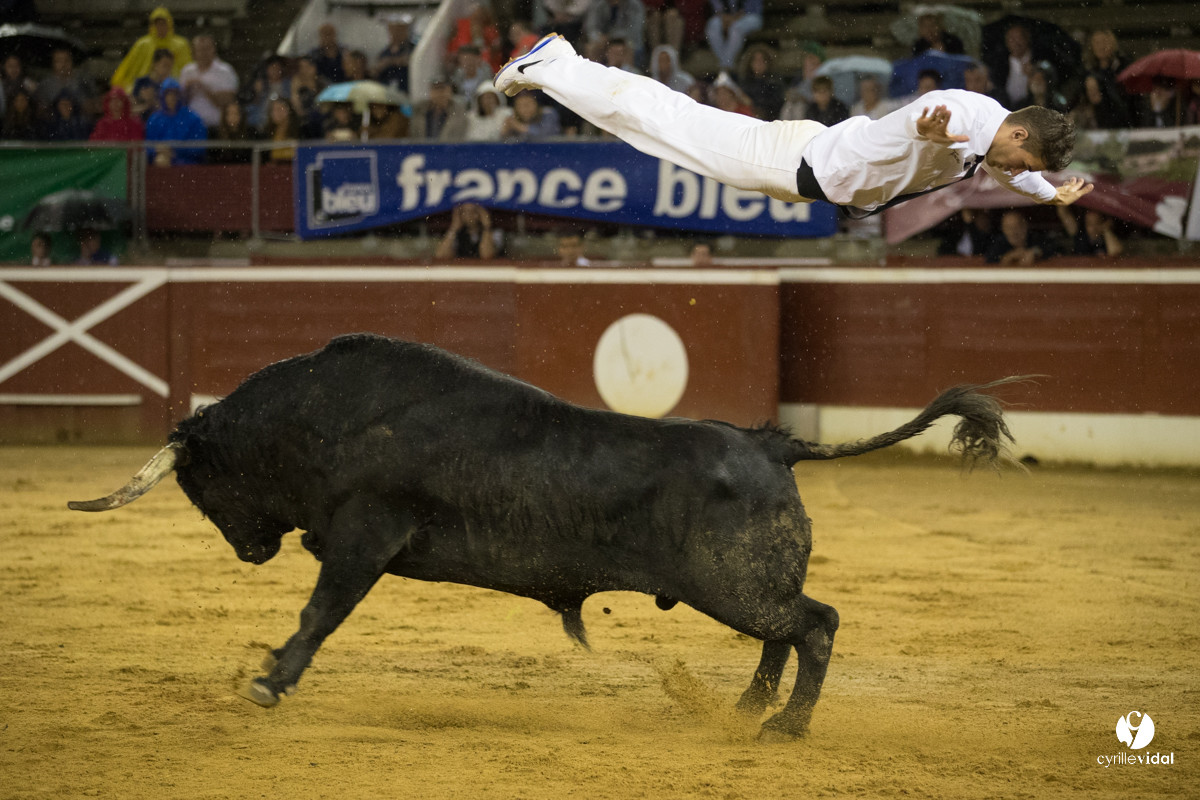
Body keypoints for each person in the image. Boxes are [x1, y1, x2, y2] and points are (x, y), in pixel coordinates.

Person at [495, 34, 1094, 218]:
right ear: (1018, 135)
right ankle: (555, 65)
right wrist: (928, 132)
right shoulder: (960, 116)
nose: (1016, 171)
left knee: (663, 125)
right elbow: (929, 117)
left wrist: (1047, 192)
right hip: (791, 163)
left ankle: (558, 67)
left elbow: (1008, 173)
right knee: (662, 121)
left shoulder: (997, 138)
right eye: (1026, 162)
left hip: (808, 162)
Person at [110, 6, 192, 92]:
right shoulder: (142, 44)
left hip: (172, 89)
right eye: (157, 24)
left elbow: (187, 68)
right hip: (146, 88)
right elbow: (128, 66)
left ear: (169, 24)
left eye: (163, 23)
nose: (160, 27)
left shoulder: (181, 44)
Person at [180, 34, 239, 131]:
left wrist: (205, 89)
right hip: (191, 127)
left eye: (207, 49)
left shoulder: (225, 71)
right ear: (194, 52)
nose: (203, 53)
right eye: (200, 49)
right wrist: (186, 89)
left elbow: (229, 101)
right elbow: (179, 101)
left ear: (214, 49)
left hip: (216, 126)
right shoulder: (187, 71)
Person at [144, 77, 207, 164]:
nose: (171, 98)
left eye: (174, 94)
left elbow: (199, 147)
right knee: (161, 160)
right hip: (159, 160)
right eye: (168, 94)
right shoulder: (154, 119)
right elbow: (148, 145)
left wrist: (174, 151)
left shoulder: (193, 118)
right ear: (162, 97)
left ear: (180, 96)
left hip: (187, 163)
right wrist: (158, 150)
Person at [34, 48, 97, 123]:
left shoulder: (83, 80)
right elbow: (40, 112)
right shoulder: (45, 85)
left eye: (67, 60)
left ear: (72, 62)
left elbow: (95, 104)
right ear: (53, 63)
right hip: (54, 125)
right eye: (59, 61)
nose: (63, 65)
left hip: (82, 124)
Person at [705, 0, 762, 72]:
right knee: (712, 27)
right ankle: (726, 64)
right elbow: (717, 8)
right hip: (725, 17)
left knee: (736, 29)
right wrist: (725, 18)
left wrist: (733, 19)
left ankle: (725, 65)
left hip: (751, 16)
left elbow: (750, 9)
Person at [985, 209, 1056, 265]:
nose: (1013, 232)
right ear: (1003, 229)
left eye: (1016, 227)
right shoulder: (998, 243)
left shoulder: (1036, 238)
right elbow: (989, 261)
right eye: (1008, 228)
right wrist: (1008, 257)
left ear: (1025, 227)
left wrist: (1034, 252)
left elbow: (1053, 249)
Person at [738, 45, 783, 120]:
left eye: (762, 60)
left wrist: (752, 104)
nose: (758, 63)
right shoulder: (745, 82)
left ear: (767, 63)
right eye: (755, 60)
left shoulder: (774, 82)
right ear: (750, 63)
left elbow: (775, 104)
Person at [1057, 206, 1123, 257]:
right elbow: (1062, 212)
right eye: (1090, 223)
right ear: (1085, 225)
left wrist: (1106, 230)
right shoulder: (1079, 235)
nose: (1094, 227)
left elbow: (1115, 253)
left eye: (1097, 223)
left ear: (1102, 223)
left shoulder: (1106, 238)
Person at [376, 13, 416, 93]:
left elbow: (410, 60)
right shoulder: (384, 52)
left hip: (406, 92)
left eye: (399, 29)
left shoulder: (413, 48)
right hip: (387, 94)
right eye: (392, 29)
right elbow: (377, 69)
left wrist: (389, 62)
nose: (395, 33)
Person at [131, 49, 175, 121]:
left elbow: (172, 110)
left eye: (170, 67)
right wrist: (147, 104)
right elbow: (131, 110)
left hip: (162, 123)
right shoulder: (141, 83)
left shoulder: (171, 86)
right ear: (155, 65)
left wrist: (152, 101)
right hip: (143, 123)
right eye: (165, 65)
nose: (168, 70)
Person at [262, 96, 300, 161]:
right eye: (273, 110)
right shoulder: (266, 132)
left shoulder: (300, 130)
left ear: (289, 110)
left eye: (279, 109)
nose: (276, 113)